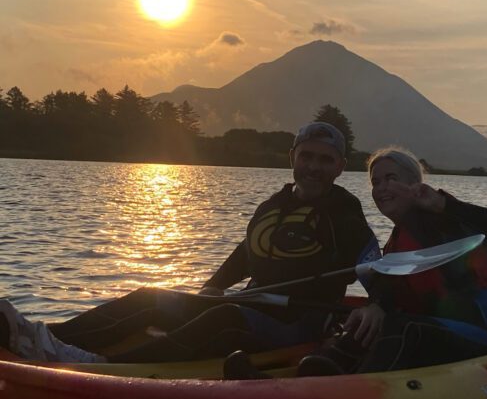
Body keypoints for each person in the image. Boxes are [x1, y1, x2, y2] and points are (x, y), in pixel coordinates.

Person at [0, 122, 382, 363]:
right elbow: (246, 255)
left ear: (339, 166)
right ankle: (43, 336)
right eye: (307, 156)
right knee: (153, 296)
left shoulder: (345, 215)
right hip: (254, 304)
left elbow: (375, 265)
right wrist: (211, 286)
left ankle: (103, 366)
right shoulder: (274, 204)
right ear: (292, 158)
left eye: (326, 160)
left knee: (222, 317)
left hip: (297, 324)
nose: (314, 167)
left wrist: (379, 304)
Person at [299, 147, 487, 375]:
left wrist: (444, 205)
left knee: (402, 327)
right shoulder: (396, 241)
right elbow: (388, 287)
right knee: (369, 321)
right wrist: (375, 307)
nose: (381, 188)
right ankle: (324, 372)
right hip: (437, 331)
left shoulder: (443, 219)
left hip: (486, 334)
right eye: (376, 182)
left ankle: (360, 385)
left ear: (415, 184)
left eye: (391, 178)